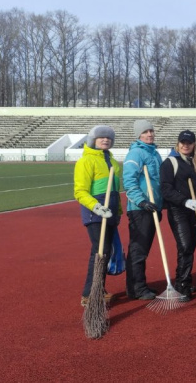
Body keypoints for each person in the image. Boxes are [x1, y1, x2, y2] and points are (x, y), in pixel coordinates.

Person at [74, 125, 122, 307]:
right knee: (99, 251)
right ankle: (88, 294)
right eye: (101, 137)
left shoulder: (112, 161)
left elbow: (115, 191)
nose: (105, 140)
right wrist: (96, 207)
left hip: (110, 212)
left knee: (106, 251)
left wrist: (117, 212)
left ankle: (99, 289)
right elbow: (80, 191)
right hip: (95, 212)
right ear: (93, 140)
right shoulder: (86, 161)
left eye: (109, 138)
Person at [123, 119, 163, 300]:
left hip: (154, 207)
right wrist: (141, 202)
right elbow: (129, 181)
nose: (149, 134)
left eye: (151, 131)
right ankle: (136, 288)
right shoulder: (136, 153)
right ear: (138, 135)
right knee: (138, 250)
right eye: (145, 132)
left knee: (144, 249)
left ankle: (139, 285)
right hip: (140, 209)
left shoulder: (154, 153)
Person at [159, 130, 196, 302]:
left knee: (190, 247)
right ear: (178, 144)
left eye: (189, 143)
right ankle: (182, 284)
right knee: (184, 246)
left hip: (195, 211)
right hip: (178, 211)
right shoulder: (170, 163)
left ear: (193, 145)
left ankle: (186, 280)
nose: (185, 145)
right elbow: (165, 189)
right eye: (182, 142)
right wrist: (184, 201)